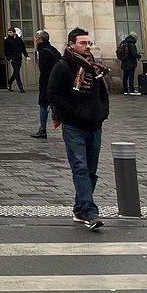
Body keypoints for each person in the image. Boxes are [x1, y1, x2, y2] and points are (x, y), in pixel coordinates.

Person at [47, 27, 110, 230]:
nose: (87, 46)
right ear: (71, 44)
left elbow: (103, 93)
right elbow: (53, 94)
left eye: (88, 43)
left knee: (91, 170)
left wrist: (102, 112)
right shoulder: (63, 66)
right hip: (74, 125)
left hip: (94, 124)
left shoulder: (94, 67)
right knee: (80, 167)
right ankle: (91, 212)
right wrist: (72, 113)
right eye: (83, 43)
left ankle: (80, 209)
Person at [31, 29, 61, 138]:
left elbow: (44, 70)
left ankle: (42, 129)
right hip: (56, 82)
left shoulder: (43, 51)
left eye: (36, 37)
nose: (35, 39)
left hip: (48, 82)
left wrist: (44, 84)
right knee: (55, 104)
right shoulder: (53, 49)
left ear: (40, 40)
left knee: (43, 105)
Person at [4, 27, 28, 92]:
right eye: (9, 32)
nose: (9, 34)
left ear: (14, 33)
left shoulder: (19, 40)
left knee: (15, 72)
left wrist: (26, 56)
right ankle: (20, 87)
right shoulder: (7, 41)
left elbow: (23, 49)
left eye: (11, 32)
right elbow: (6, 51)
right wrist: (9, 59)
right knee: (17, 72)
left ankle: (9, 83)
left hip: (19, 58)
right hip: (12, 59)